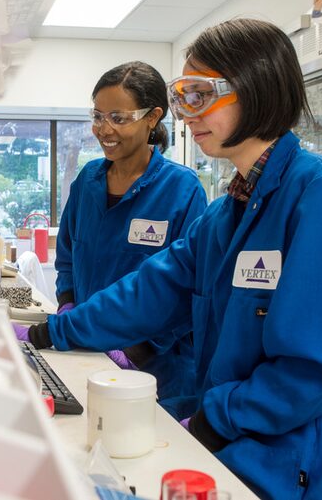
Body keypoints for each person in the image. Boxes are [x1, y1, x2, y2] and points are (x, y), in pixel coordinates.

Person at [22, 19, 322, 499]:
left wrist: (214, 416)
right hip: (231, 437)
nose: (185, 114)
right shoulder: (232, 209)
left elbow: (311, 372)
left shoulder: (319, 195)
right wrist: (54, 331)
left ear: (256, 88)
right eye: (182, 96)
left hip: (284, 465)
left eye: (200, 95)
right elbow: (152, 288)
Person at [51, 61, 207, 418]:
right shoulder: (88, 180)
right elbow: (67, 258)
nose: (104, 129)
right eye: (98, 116)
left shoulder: (182, 190)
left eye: (118, 118)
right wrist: (69, 306)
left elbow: (190, 291)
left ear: (152, 118)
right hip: (89, 354)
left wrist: (136, 352)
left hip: (158, 375)